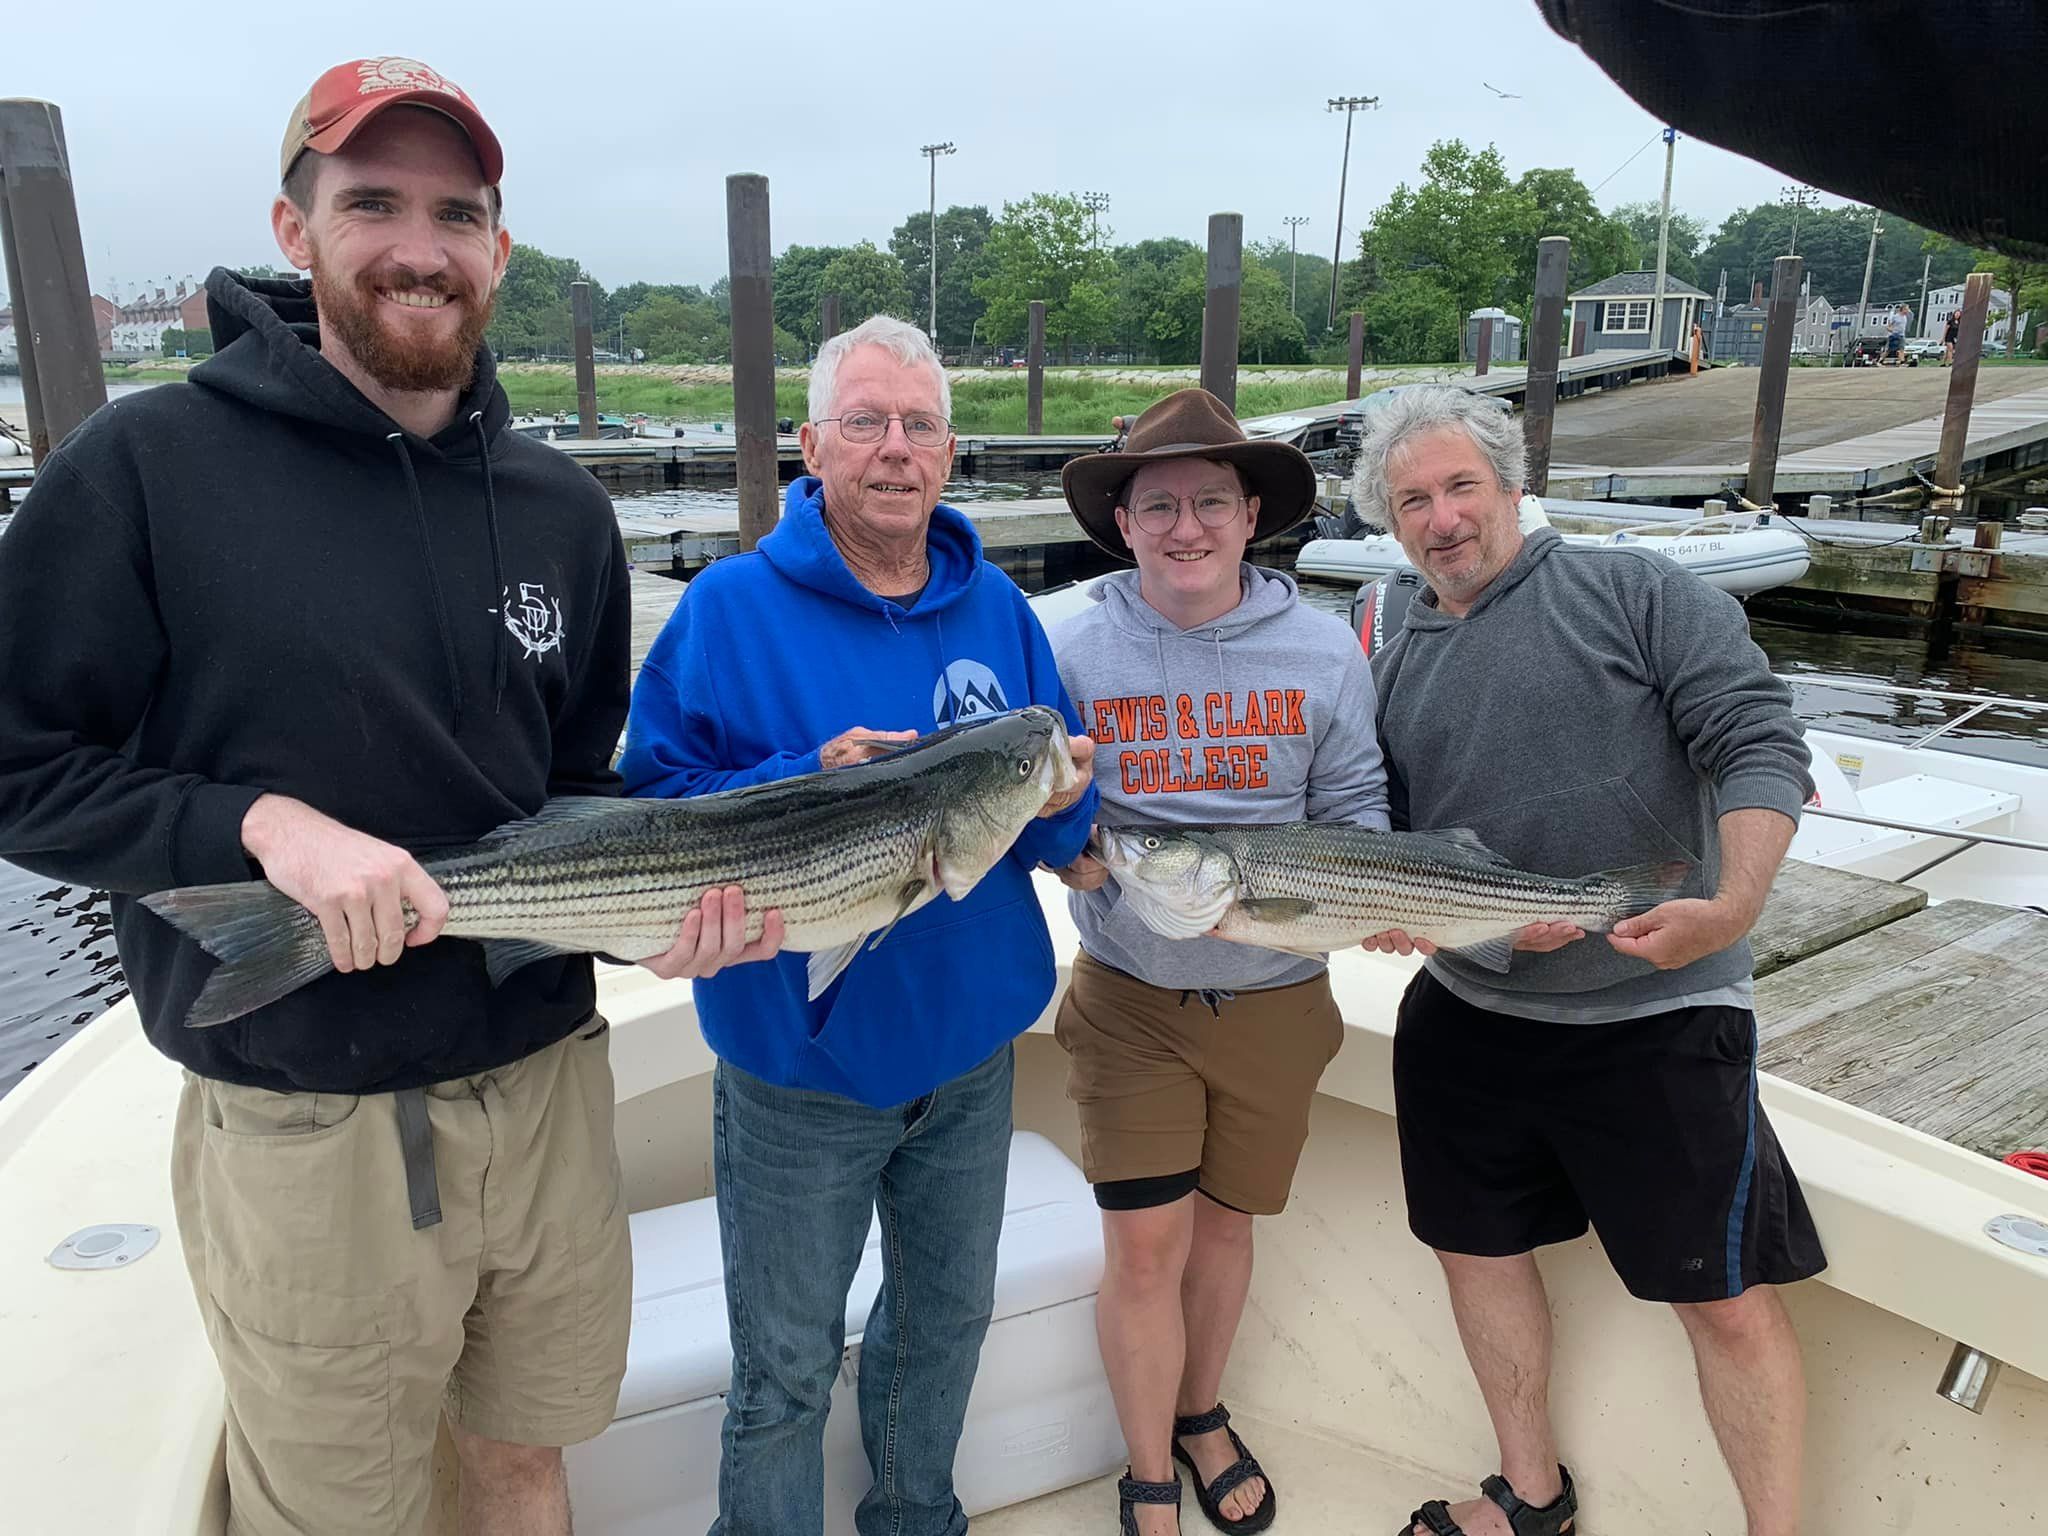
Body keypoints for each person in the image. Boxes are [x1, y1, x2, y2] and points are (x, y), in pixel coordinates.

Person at [0, 56, 775, 1535]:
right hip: (308, 1122)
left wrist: (653, 916)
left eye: (455, 212)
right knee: (340, 1514)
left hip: (544, 1086)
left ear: (497, 243)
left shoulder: (559, 510)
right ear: (295, 229)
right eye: (372, 202)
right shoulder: (143, 470)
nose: (418, 246)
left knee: (530, 1457)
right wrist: (260, 826)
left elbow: (565, 796)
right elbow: (23, 770)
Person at [618, 313, 1099, 1536]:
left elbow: (1039, 836)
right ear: (811, 445)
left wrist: (1066, 795)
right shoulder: (726, 610)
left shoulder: (997, 608)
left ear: (950, 451)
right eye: (866, 422)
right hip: (796, 1076)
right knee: (780, 1373)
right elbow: (650, 806)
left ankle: (913, 1519)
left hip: (971, 1059)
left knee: (941, 1328)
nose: (896, 448)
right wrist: (801, 778)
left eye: (920, 424)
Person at [1352, 387, 1825, 1536]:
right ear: (1389, 523)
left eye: (1460, 486)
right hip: (1470, 1007)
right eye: (1411, 500)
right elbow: (1397, 835)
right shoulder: (1391, 645)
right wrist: (1390, 906)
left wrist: (1729, 904)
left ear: (1513, 488)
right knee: (1475, 1251)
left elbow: (1759, 737)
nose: (1441, 518)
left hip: (1656, 1015)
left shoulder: (1636, 591)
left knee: (1717, 1297)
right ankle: (1528, 1493)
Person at [1046, 389, 1391, 1536]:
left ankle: (1202, 1412)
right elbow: (1035, 803)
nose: (1183, 527)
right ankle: (1149, 1470)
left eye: (1207, 503)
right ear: (1123, 523)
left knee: (1227, 1229)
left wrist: (1382, 897)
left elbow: (1351, 810)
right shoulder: (1066, 641)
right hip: (1129, 999)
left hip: (1279, 1001)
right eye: (1157, 506)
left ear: (1251, 516)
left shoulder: (1323, 650)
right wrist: (1066, 854)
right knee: (1144, 1246)